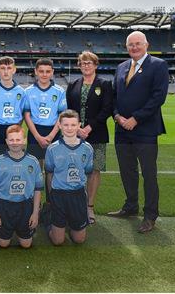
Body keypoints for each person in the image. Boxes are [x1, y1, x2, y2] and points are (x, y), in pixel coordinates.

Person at [108, 31, 169, 234]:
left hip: (145, 129)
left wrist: (136, 118)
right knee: (127, 171)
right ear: (126, 47)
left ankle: (150, 215)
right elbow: (114, 97)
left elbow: (158, 97)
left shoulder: (158, 65)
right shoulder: (121, 67)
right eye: (130, 44)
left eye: (138, 44)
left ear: (146, 45)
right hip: (122, 129)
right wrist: (117, 116)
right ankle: (130, 206)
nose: (134, 47)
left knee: (149, 174)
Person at [66, 51, 113, 224]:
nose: (86, 65)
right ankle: (75, 206)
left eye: (89, 63)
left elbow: (107, 108)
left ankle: (89, 207)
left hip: (98, 134)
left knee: (95, 169)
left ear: (95, 64)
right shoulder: (73, 85)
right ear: (79, 66)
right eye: (83, 63)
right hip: (75, 135)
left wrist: (89, 127)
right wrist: (77, 128)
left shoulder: (105, 84)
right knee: (75, 169)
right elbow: (69, 110)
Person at [0, 124, 43, 248]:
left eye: (18, 139)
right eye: (11, 140)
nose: (15, 143)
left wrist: (35, 213)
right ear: (6, 141)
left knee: (26, 244)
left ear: (24, 140)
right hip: (5, 205)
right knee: (3, 243)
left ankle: (20, 230)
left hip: (25, 205)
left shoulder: (33, 161)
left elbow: (38, 189)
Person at [45, 110, 93, 245]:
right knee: (58, 241)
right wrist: (52, 195)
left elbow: (88, 174)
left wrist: (87, 199)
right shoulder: (52, 149)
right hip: (59, 194)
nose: (69, 128)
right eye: (66, 125)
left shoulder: (87, 149)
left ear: (79, 125)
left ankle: (70, 223)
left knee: (79, 240)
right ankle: (48, 219)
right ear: (59, 126)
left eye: (73, 125)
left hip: (77, 195)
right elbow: (49, 174)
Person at [23, 58, 66, 207]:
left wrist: (51, 136)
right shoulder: (28, 91)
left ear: (52, 72)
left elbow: (61, 116)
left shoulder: (59, 91)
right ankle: (35, 204)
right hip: (35, 131)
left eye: (48, 71)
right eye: (41, 71)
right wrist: (37, 136)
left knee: (51, 170)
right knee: (35, 169)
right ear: (36, 72)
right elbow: (27, 115)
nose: (44, 74)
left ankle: (50, 204)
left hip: (53, 132)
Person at [0, 56, 26, 158]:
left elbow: (22, 113)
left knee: (15, 159)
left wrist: (16, 127)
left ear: (14, 70)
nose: (6, 72)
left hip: (14, 130)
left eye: (9, 68)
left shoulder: (21, 91)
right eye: (3, 68)